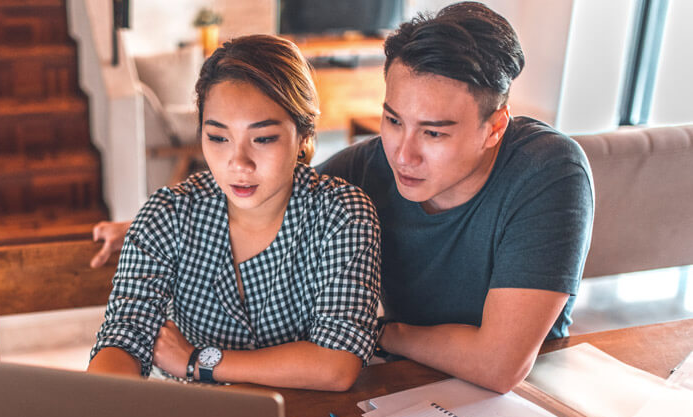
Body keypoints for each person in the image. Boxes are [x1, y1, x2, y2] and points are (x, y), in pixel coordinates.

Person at [89, 2, 594, 394]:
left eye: (434, 134)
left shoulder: (547, 170)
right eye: (393, 119)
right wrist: (142, 228)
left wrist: (377, 334)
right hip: (398, 388)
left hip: (523, 399)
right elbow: (265, 194)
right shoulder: (367, 167)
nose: (403, 153)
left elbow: (499, 365)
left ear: (493, 128)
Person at [86, 35, 381, 392]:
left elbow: (337, 364)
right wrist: (98, 405)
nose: (238, 163)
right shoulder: (167, 215)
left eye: (264, 138)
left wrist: (197, 361)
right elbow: (124, 336)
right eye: (218, 137)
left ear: (303, 134)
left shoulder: (342, 215)